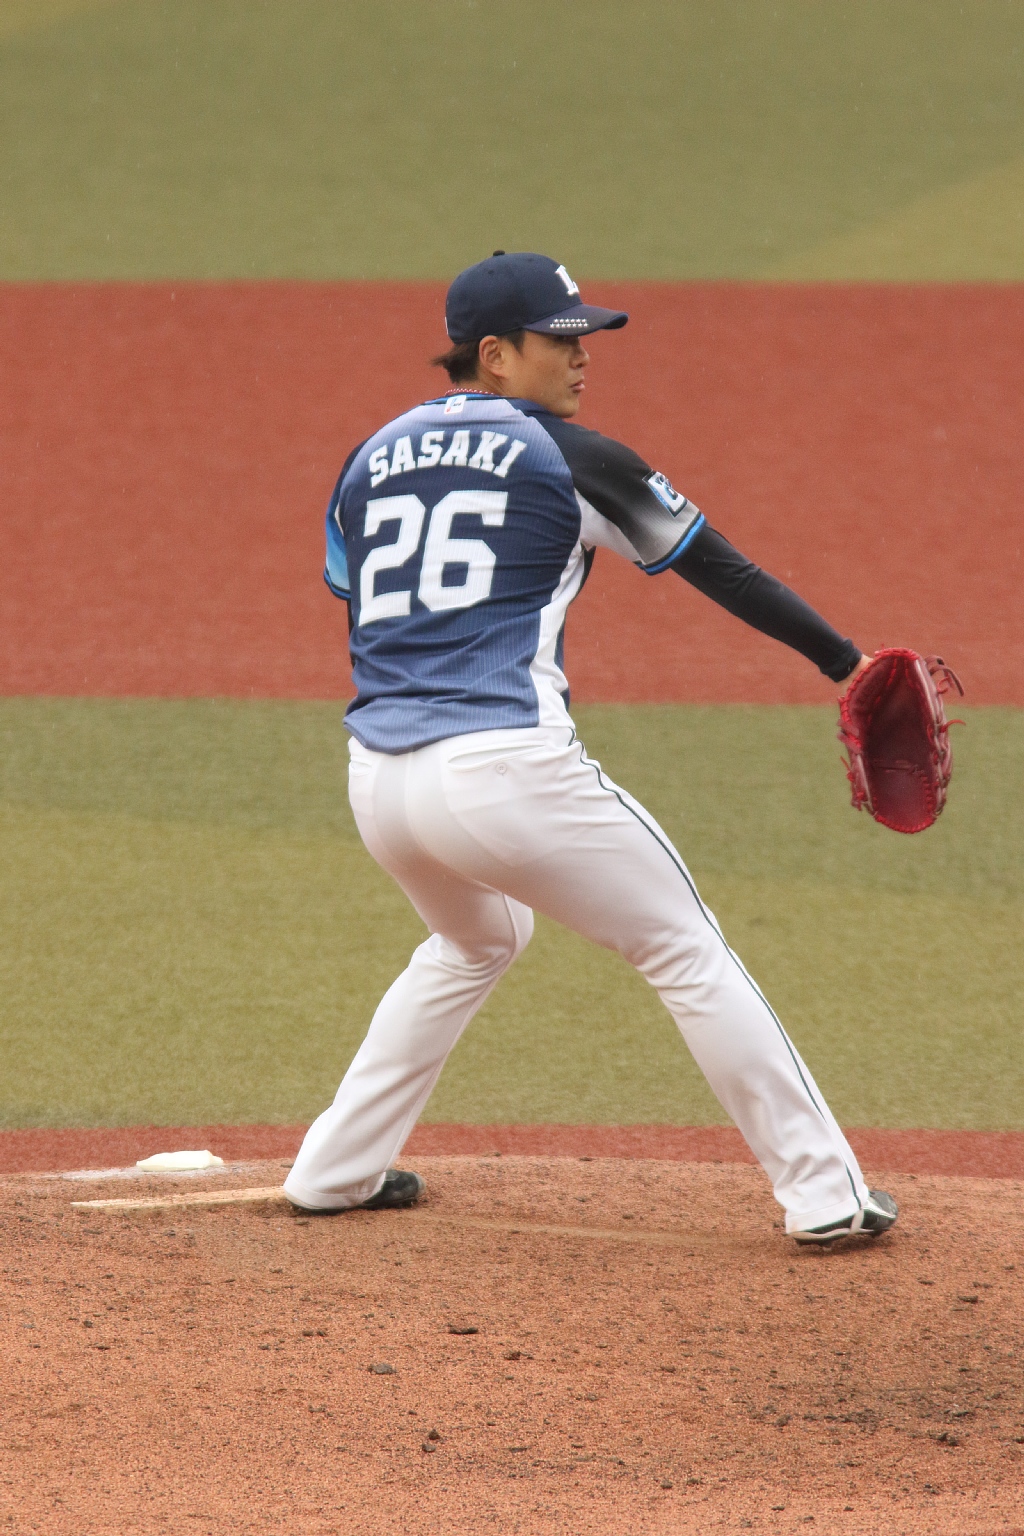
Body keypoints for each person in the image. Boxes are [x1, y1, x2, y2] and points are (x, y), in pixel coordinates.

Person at [283, 251, 897, 1245]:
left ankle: (333, 1169)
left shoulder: (368, 458)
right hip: (504, 770)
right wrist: (844, 661)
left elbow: (360, 599)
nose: (582, 355)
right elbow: (726, 571)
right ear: (494, 354)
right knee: (682, 945)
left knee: (475, 940)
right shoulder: (567, 455)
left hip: (379, 783)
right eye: (560, 339)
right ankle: (827, 1195)